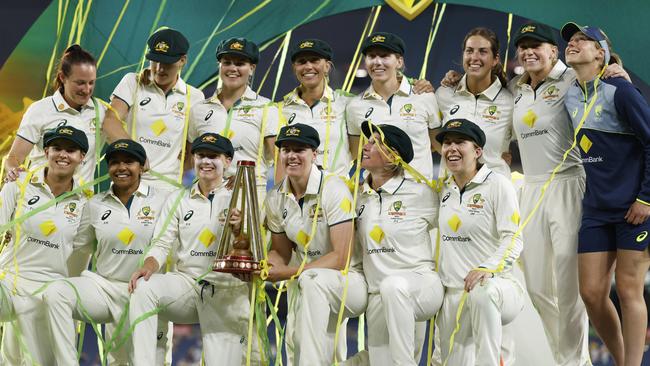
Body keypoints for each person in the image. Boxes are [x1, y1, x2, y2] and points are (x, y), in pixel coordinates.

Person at [562, 22, 650, 366]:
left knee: (629, 291)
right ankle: (622, 360)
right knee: (592, 294)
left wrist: (646, 198)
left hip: (634, 208)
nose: (574, 42)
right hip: (596, 209)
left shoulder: (621, 91)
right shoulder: (569, 92)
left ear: (602, 53)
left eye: (584, 40)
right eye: (571, 39)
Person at [42, 139, 168, 365]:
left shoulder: (163, 200)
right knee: (56, 292)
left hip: (146, 292)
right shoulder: (95, 204)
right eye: (114, 162)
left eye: (129, 162)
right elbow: (76, 245)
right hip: (105, 289)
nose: (121, 168)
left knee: (149, 360)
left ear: (141, 166)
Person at [509, 22, 591, 366]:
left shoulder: (572, 77)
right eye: (523, 47)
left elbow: (604, 79)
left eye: (537, 46)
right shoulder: (516, 87)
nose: (529, 52)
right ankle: (562, 357)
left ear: (553, 51)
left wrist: (615, 68)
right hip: (531, 188)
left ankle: (576, 361)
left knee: (569, 286)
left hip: (568, 183)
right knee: (538, 287)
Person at [128, 133, 249, 366]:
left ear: (228, 161)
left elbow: (253, 249)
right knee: (144, 288)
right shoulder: (178, 198)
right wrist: (149, 265)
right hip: (187, 285)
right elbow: (162, 243)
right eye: (201, 155)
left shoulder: (243, 196)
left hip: (226, 290)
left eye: (213, 156)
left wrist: (237, 232)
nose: (206, 161)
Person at [264, 123, 367, 365]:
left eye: (299, 150)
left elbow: (341, 257)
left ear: (315, 154)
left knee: (313, 285)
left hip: (347, 280)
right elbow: (281, 251)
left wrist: (288, 273)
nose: (291, 156)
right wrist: (268, 264)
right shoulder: (275, 197)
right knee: (296, 344)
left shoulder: (334, 188)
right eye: (286, 149)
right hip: (306, 281)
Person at [435, 119, 524, 366]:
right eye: (446, 143)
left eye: (459, 142)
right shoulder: (442, 189)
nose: (451, 148)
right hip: (453, 294)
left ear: (477, 151)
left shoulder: (498, 185)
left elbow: (514, 238)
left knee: (482, 293)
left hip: (497, 286)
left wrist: (487, 268)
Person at [0, 126, 90, 365]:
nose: (63, 155)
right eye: (57, 148)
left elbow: (79, 248)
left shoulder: (85, 202)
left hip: (47, 290)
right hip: (9, 282)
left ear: (82, 157)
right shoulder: (19, 182)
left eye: (71, 150)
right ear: (46, 151)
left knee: (23, 359)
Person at [356, 121, 444, 365]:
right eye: (368, 141)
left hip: (419, 285)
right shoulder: (357, 195)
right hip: (378, 294)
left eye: (375, 143)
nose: (366, 146)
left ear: (393, 156)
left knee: (393, 287)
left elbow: (456, 226)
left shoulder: (421, 193)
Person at [102, 28, 204, 191]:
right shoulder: (132, 82)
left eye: (166, 63)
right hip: (129, 186)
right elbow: (109, 122)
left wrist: (183, 185)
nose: (159, 68)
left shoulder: (195, 97)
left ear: (182, 60)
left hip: (169, 191)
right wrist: (135, 154)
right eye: (155, 60)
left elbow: (192, 150)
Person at [189, 37, 278, 201]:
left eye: (240, 63)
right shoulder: (199, 109)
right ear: (219, 66)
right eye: (227, 62)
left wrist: (279, 202)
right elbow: (190, 158)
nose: (232, 68)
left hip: (250, 195)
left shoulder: (267, 108)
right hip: (206, 195)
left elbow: (280, 160)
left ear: (251, 68)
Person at [346, 32, 441, 181]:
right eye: (371, 56)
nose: (377, 62)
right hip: (376, 196)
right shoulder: (355, 106)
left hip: (419, 195)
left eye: (384, 56)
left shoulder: (424, 97)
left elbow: (438, 145)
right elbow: (356, 154)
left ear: (399, 62)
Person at [5, 44, 104, 185]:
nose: (87, 89)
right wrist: (13, 171)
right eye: (80, 83)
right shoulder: (40, 110)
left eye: (91, 83)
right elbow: (13, 158)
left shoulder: (101, 111)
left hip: (80, 203)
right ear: (63, 77)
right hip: (39, 200)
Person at [435, 27, 513, 178]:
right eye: (469, 51)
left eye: (483, 51)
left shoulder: (509, 101)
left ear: (495, 59)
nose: (474, 57)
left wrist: (498, 158)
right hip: (451, 192)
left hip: (494, 192)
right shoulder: (443, 94)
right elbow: (431, 139)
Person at [279, 39, 352, 177]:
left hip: (338, 193)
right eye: (301, 62)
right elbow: (278, 159)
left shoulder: (347, 103)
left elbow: (360, 150)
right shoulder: (281, 108)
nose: (308, 66)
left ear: (327, 66)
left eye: (314, 60)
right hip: (297, 194)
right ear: (294, 68)